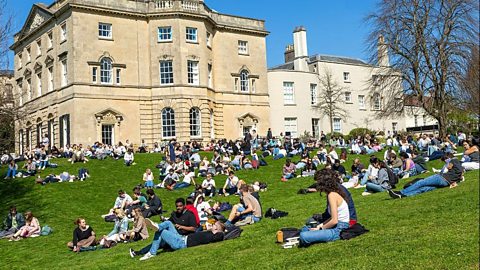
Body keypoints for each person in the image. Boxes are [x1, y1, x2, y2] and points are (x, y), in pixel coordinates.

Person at [131, 219, 226, 261]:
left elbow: (220, 236)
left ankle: (152, 253)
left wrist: (220, 231)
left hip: (181, 244)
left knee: (161, 232)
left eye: (214, 225)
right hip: (181, 238)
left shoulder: (215, 235)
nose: (212, 225)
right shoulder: (209, 232)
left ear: (216, 229)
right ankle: (157, 226)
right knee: (168, 223)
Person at [299, 169, 350, 246]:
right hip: (335, 226)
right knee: (305, 229)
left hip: (339, 229)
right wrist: (320, 225)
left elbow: (334, 221)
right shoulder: (332, 193)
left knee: (303, 236)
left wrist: (321, 228)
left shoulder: (332, 195)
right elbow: (332, 217)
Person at [388, 158, 464, 199]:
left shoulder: (454, 160)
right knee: (423, 189)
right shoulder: (461, 170)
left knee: (421, 182)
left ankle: (401, 192)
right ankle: (403, 196)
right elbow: (460, 178)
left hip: (441, 177)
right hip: (445, 183)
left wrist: (449, 165)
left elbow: (448, 167)